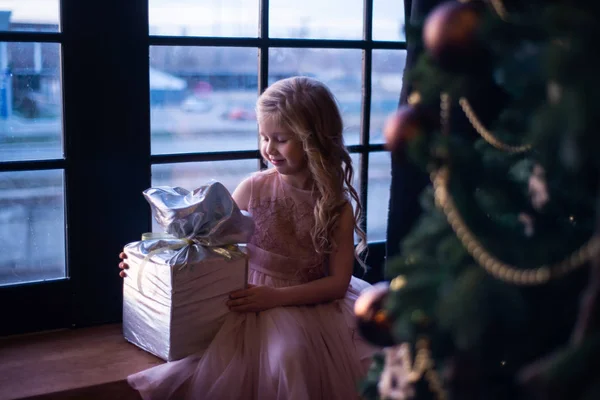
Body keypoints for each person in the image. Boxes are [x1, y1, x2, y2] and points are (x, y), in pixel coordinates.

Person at [118, 76, 378, 399]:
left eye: (280, 139)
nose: (269, 149)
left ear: (315, 141)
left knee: (290, 357)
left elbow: (338, 283)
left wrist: (275, 298)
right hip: (245, 299)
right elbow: (201, 243)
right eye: (264, 137)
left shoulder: (337, 208)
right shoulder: (253, 189)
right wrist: (151, 263)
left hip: (305, 304)